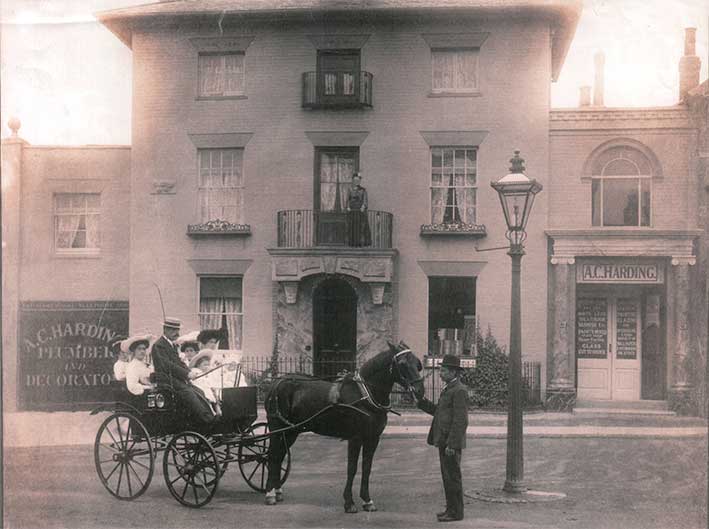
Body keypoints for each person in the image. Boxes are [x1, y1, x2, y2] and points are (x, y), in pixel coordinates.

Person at [414, 354, 469, 522]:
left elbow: (461, 421)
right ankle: (450, 509)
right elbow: (439, 411)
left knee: (452, 477)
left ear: (453, 372)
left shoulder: (459, 390)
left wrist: (452, 444)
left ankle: (456, 513)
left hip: (450, 443)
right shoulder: (449, 389)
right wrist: (420, 402)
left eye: (443, 371)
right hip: (443, 441)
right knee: (448, 477)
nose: (440, 373)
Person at [150, 317, 216, 425]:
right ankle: (207, 420)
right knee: (188, 392)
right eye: (173, 330)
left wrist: (190, 371)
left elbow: (178, 362)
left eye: (177, 330)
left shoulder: (172, 345)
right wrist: (186, 374)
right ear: (165, 329)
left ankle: (208, 417)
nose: (176, 333)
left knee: (199, 391)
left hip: (175, 378)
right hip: (166, 380)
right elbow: (167, 365)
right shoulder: (159, 345)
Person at [189, 349, 221, 416]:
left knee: (214, 392)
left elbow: (209, 381)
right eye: (204, 365)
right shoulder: (195, 371)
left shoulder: (205, 373)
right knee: (207, 394)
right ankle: (212, 411)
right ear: (198, 365)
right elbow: (196, 382)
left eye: (208, 365)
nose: (207, 367)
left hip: (206, 387)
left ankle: (217, 408)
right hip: (199, 388)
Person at [346, 172, 371, 247]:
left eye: (358, 180)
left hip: (360, 212)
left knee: (361, 228)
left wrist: (363, 206)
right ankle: (352, 243)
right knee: (352, 227)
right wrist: (348, 207)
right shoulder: (350, 189)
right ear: (353, 181)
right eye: (355, 180)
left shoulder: (363, 190)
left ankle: (361, 244)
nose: (357, 182)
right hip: (352, 211)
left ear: (360, 181)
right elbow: (347, 199)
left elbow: (365, 200)